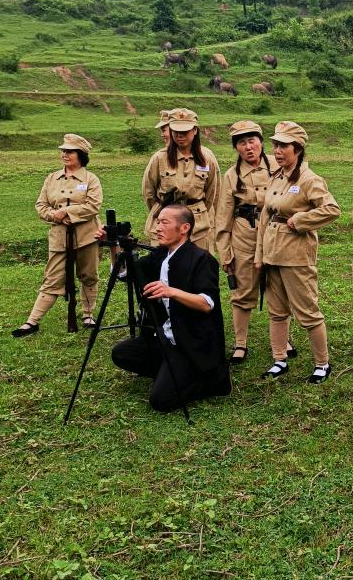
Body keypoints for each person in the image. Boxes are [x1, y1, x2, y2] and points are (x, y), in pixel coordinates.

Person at [110, 204, 230, 411]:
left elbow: (206, 303)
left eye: (164, 222)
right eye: (158, 222)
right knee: (121, 353)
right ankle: (172, 371)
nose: (158, 228)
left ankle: (207, 379)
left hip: (190, 343)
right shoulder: (160, 255)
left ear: (184, 228)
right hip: (165, 338)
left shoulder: (201, 259)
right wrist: (114, 246)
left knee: (161, 401)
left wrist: (171, 291)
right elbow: (126, 274)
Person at [255, 121, 341, 382]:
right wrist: (259, 255)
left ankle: (322, 363)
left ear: (298, 148)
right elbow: (265, 216)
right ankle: (279, 359)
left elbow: (331, 209)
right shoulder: (277, 176)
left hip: (295, 255)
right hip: (272, 252)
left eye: (283, 146)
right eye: (275, 145)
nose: (277, 151)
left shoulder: (309, 179)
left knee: (307, 311)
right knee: (277, 311)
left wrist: (300, 221)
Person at [215, 120, 296, 364]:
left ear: (261, 142)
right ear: (236, 147)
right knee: (242, 291)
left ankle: (284, 339)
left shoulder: (279, 165)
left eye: (252, 141)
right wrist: (225, 252)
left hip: (276, 234)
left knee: (279, 287)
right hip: (244, 235)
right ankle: (241, 344)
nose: (248, 147)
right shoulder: (231, 176)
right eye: (242, 142)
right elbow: (222, 216)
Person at [12, 134, 102, 337]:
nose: (64, 154)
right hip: (59, 236)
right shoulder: (52, 178)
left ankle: (88, 315)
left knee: (88, 275)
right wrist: (54, 215)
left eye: (69, 151)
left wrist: (68, 213)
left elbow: (93, 206)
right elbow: (40, 205)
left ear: (80, 154)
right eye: (63, 151)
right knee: (52, 278)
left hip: (87, 235)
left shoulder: (91, 179)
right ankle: (32, 322)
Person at [141, 108, 219, 251]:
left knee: (197, 269)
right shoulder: (159, 158)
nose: (180, 136)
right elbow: (149, 193)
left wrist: (198, 211)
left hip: (198, 227)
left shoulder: (207, 157)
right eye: (176, 131)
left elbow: (212, 193)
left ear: (195, 130)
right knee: (165, 269)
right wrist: (164, 211)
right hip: (166, 223)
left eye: (185, 131)